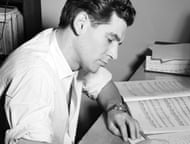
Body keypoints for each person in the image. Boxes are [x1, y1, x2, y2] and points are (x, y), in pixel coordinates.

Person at [0, 0, 141, 143]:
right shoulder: (34, 73)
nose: (114, 55)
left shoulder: (69, 50)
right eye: (110, 39)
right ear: (81, 23)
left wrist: (115, 109)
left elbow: (105, 85)